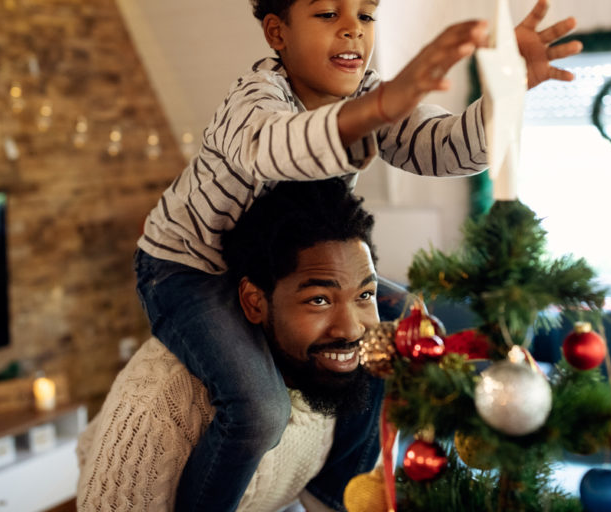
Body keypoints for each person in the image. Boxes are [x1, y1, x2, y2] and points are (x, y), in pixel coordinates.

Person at [135, 0, 583, 512]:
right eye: (327, 14)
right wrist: (375, 109)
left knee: (400, 332)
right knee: (259, 410)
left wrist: (505, 93)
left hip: (280, 272)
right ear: (278, 33)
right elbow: (281, 148)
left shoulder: (367, 94)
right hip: (190, 270)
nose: (352, 28)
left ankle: (333, 488)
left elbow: (449, 148)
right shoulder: (254, 104)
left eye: (366, 15)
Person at [78, 179, 386, 511]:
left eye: (365, 295)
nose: (351, 328)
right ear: (254, 302)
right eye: (319, 300)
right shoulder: (165, 402)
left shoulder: (339, 372)